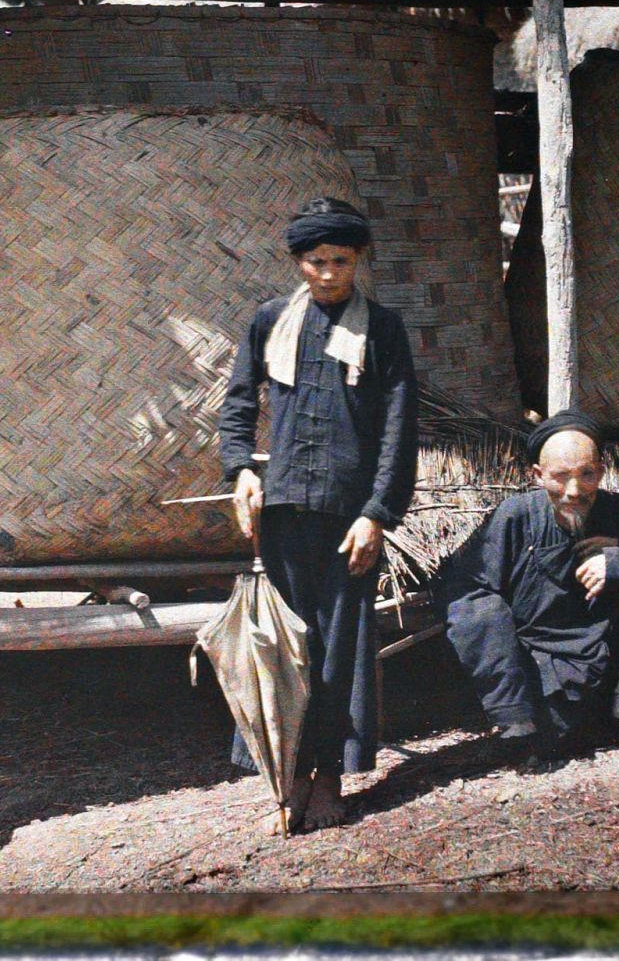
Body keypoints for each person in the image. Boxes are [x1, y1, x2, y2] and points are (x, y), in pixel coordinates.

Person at [219, 197, 419, 833]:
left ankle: (329, 777)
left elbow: (397, 429)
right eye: (315, 262)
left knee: (338, 656)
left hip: (347, 522)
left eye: (339, 261)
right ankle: (286, 777)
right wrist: (242, 470)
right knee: (283, 650)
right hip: (280, 515)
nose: (327, 273)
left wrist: (378, 513)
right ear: (298, 262)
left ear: (356, 259)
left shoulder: (382, 330)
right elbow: (237, 402)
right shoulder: (271, 321)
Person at [439, 410, 619, 765]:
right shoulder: (514, 517)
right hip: (544, 670)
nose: (574, 491)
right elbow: (464, 589)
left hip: (613, 666)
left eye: (587, 475)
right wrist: (510, 703)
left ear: (601, 471)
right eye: (560, 477)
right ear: (537, 476)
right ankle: (525, 725)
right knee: (477, 611)